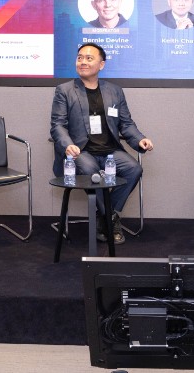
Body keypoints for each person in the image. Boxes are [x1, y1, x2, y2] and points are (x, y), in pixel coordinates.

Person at [50, 42, 153, 245]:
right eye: (80, 58)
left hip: (109, 151)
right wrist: (68, 144)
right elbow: (57, 125)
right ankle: (111, 220)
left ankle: (105, 215)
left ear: (101, 64)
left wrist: (140, 139)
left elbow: (126, 123)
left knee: (134, 169)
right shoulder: (65, 90)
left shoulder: (114, 91)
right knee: (90, 170)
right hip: (81, 151)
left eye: (89, 58)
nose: (83, 62)